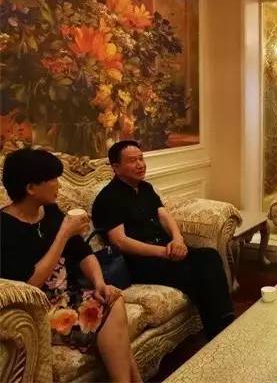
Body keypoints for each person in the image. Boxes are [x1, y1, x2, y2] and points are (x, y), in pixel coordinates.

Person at [0, 148, 140, 382]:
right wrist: (64, 234)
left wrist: (99, 283)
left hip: (69, 296)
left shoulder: (50, 211)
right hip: (39, 312)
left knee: (113, 297)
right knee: (111, 316)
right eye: (53, 179)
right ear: (31, 188)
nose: (59, 185)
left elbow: (83, 253)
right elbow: (30, 285)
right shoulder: (5, 228)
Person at [91, 140, 234, 340]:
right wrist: (163, 252)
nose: (140, 164)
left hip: (165, 251)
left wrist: (178, 240)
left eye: (141, 158)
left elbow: (164, 215)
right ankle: (219, 334)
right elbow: (120, 242)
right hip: (139, 263)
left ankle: (225, 323)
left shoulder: (145, 188)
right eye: (132, 161)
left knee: (209, 256)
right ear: (116, 167)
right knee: (197, 273)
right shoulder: (108, 199)